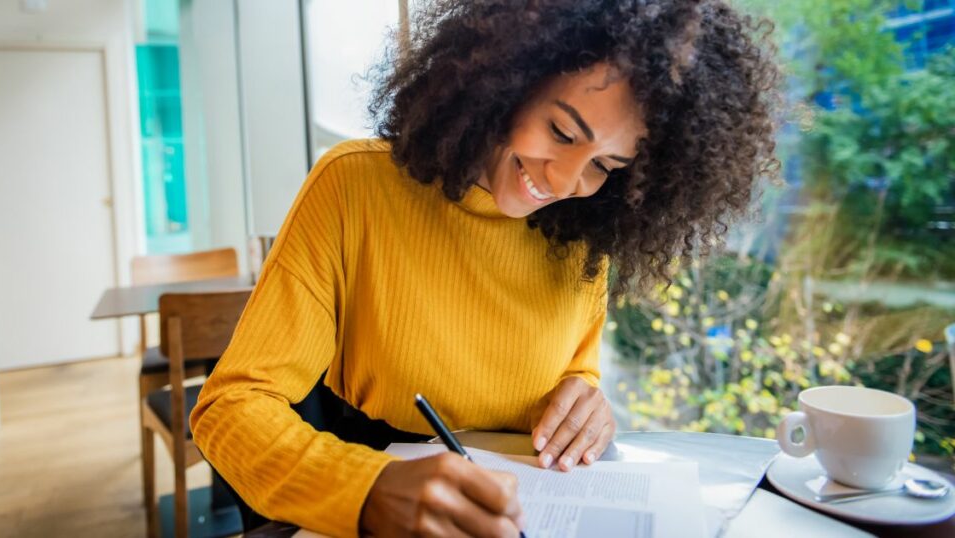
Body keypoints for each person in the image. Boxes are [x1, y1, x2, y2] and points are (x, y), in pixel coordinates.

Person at [190, 0, 779, 536]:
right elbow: (232, 407)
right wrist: (366, 489)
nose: (563, 181)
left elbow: (577, 370)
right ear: (505, 82)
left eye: (606, 163)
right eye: (561, 131)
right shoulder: (354, 187)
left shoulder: (584, 231)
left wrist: (585, 403)